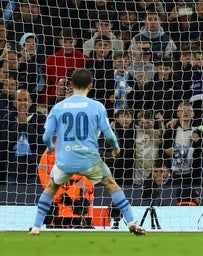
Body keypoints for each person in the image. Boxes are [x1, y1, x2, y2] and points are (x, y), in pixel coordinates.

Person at [29, 68, 145, 236]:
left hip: (65, 160)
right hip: (89, 160)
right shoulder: (97, 106)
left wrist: (51, 147)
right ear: (90, 85)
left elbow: (46, 136)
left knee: (50, 188)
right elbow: (109, 134)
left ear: (71, 84)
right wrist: (116, 147)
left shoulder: (58, 107)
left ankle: (36, 226)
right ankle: (132, 222)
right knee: (112, 185)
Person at [37, 147, 95, 229]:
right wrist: (60, 195)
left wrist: (69, 195)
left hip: (80, 209)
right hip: (57, 211)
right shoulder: (50, 150)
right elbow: (43, 174)